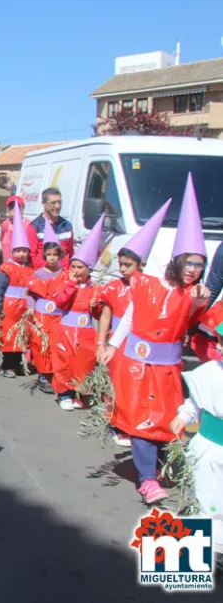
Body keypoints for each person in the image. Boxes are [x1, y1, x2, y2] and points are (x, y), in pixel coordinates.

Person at [101, 174, 210, 505]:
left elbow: (193, 320)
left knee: (167, 420)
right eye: (189, 262)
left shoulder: (193, 294)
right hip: (138, 366)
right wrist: (111, 345)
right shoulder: (147, 284)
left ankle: (158, 468)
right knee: (141, 422)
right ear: (178, 261)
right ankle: (147, 479)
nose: (193, 269)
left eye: (200, 265)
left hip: (168, 369)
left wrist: (200, 302)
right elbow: (131, 318)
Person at [97, 201, 171, 446]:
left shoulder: (152, 289)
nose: (123, 269)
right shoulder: (113, 288)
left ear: (143, 266)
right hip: (118, 342)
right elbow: (106, 316)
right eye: (121, 264)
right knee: (116, 383)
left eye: (128, 265)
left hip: (139, 345)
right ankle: (115, 422)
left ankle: (133, 424)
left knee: (136, 387)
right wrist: (101, 342)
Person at [170, 348, 223, 561]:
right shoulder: (209, 372)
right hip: (210, 447)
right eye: (219, 342)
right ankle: (213, 548)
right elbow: (195, 401)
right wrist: (184, 417)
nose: (218, 347)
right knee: (209, 497)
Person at [49, 215, 104, 411]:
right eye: (73, 266)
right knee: (64, 363)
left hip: (85, 332)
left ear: (88, 269)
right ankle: (64, 393)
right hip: (66, 329)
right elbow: (59, 302)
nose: (75, 270)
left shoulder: (95, 288)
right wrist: (71, 285)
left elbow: (97, 315)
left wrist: (96, 306)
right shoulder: (66, 282)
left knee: (83, 364)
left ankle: (82, 393)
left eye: (80, 268)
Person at [0, 205, 33, 377]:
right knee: (9, 337)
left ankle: (19, 363)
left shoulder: (30, 269)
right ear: (12, 251)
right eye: (18, 251)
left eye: (24, 251)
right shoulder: (7, 268)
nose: (21, 254)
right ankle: (7, 365)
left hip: (24, 309)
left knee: (23, 337)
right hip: (9, 309)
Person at [26, 224, 65, 394]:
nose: (52, 258)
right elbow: (31, 294)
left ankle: (56, 374)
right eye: (48, 255)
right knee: (42, 345)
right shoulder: (38, 274)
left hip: (58, 317)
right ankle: (43, 375)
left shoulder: (64, 274)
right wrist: (30, 309)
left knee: (56, 346)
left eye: (55, 255)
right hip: (41, 316)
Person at [27, 187, 75, 269]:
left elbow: (70, 253)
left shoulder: (67, 226)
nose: (57, 206)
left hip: (63, 275)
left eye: (59, 202)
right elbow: (31, 255)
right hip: (42, 275)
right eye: (53, 203)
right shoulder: (34, 226)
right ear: (44, 203)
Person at [0, 196, 31, 263]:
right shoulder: (5, 224)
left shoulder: (29, 225)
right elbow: (1, 240)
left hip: (22, 267)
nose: (14, 208)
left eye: (17, 206)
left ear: (23, 208)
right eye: (11, 206)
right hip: (7, 267)